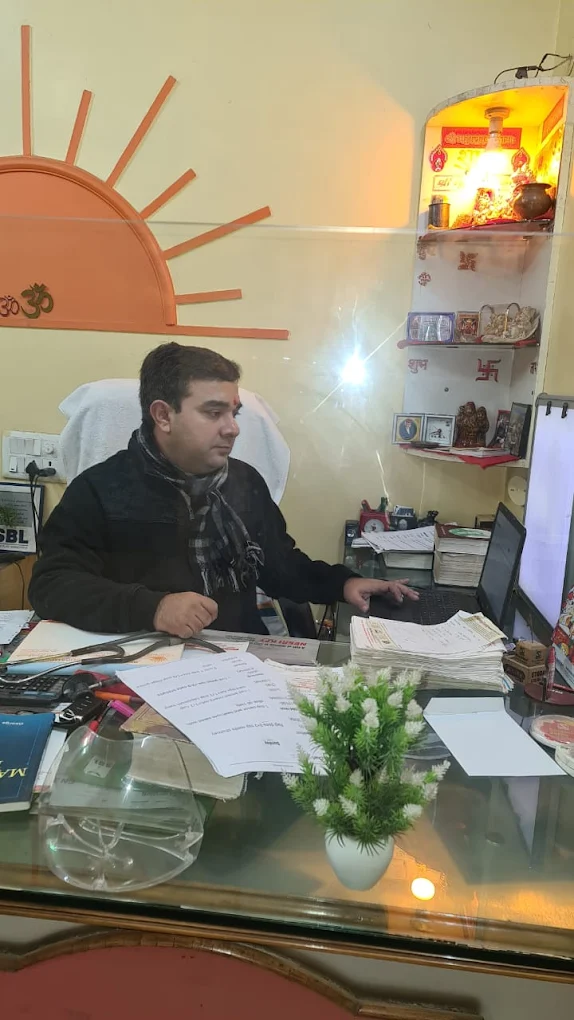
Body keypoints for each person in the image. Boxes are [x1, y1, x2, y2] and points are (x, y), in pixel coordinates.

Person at [29, 343, 418, 638]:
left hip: (234, 656)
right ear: (163, 415)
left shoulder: (244, 483)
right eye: (214, 413)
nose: (232, 428)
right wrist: (154, 608)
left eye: (234, 412)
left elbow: (280, 566)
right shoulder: (101, 490)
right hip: (141, 662)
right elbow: (52, 585)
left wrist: (343, 583)